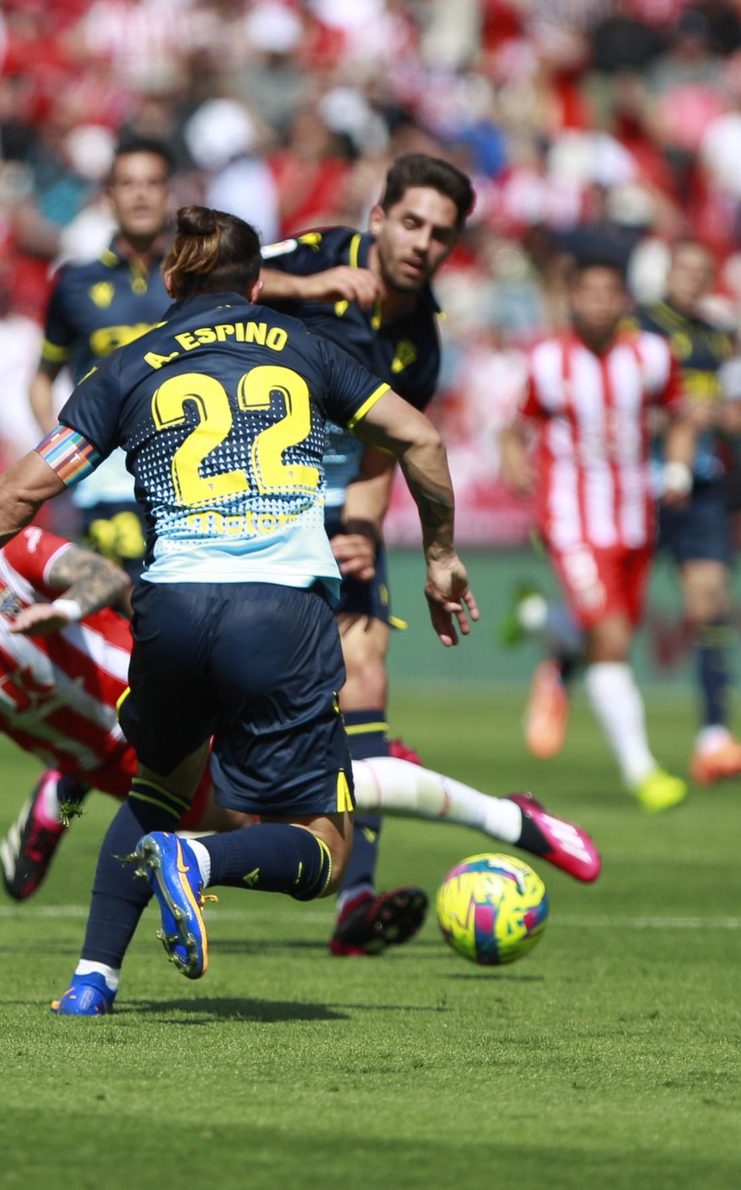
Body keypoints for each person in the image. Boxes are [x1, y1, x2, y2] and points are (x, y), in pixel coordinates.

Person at [0, 206, 482, 1017]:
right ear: (258, 285)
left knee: (156, 784)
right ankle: (198, 863)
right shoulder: (311, 350)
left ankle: (92, 981)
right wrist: (439, 557)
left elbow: (26, 488)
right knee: (327, 846)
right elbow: (421, 440)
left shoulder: (126, 366)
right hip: (279, 614)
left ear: (171, 281)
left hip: (172, 611)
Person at [0, 464, 599, 906]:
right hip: (125, 765)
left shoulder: (13, 552)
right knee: (252, 828)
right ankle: (65, 788)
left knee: (321, 797)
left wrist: (73, 601)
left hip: (179, 699)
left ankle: (514, 821)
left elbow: (100, 574)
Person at [255, 152, 477, 956]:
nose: (423, 243)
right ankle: (75, 783)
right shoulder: (312, 256)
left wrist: (364, 527)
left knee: (367, 681)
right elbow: (200, 288)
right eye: (411, 222)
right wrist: (309, 291)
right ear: (377, 218)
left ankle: (355, 897)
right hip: (242, 501)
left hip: (335, 513)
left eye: (441, 235)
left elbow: (389, 446)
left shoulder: (420, 338)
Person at [517, 241, 741, 786]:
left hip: (692, 489)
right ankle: (568, 667)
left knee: (707, 602)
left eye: (704, 270)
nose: (694, 280)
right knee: (613, 631)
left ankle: (714, 735)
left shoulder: (719, 336)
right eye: (685, 268)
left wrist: (706, 417)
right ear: (666, 272)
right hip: (623, 493)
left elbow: (735, 413)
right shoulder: (641, 331)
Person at [20, 136, 175, 863]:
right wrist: (64, 453)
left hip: (188, 490)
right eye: (128, 183)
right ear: (109, 196)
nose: (141, 194)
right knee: (147, 635)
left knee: (173, 654)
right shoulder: (76, 282)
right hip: (112, 484)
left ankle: (75, 776)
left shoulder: (193, 278)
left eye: (153, 182)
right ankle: (159, 824)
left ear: (168, 192)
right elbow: (42, 375)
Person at [498, 258, 699, 813]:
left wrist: (678, 470)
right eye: (588, 293)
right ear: (572, 300)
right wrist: (518, 470)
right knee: (610, 642)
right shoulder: (548, 361)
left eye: (609, 293)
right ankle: (643, 772)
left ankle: (549, 630)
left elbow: (682, 415)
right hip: (572, 520)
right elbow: (514, 431)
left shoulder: (652, 357)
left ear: (624, 302)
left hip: (636, 519)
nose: (599, 303)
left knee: (614, 636)